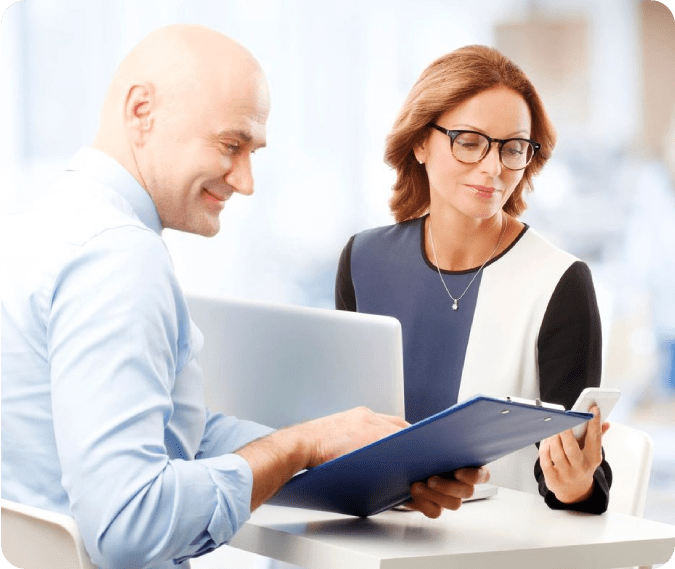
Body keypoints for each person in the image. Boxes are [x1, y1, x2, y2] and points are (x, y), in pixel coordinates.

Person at [0, 26, 489, 569]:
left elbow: (169, 434)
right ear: (142, 111)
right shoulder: (118, 256)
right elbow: (128, 523)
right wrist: (299, 446)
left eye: (252, 151)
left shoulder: (36, 228)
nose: (247, 181)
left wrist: (340, 455)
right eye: (230, 145)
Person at [335, 45, 612, 513]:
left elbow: (580, 473)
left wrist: (574, 485)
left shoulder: (560, 282)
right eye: (469, 141)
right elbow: (341, 429)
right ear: (421, 142)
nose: (493, 167)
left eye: (514, 147)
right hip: (373, 537)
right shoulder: (362, 260)